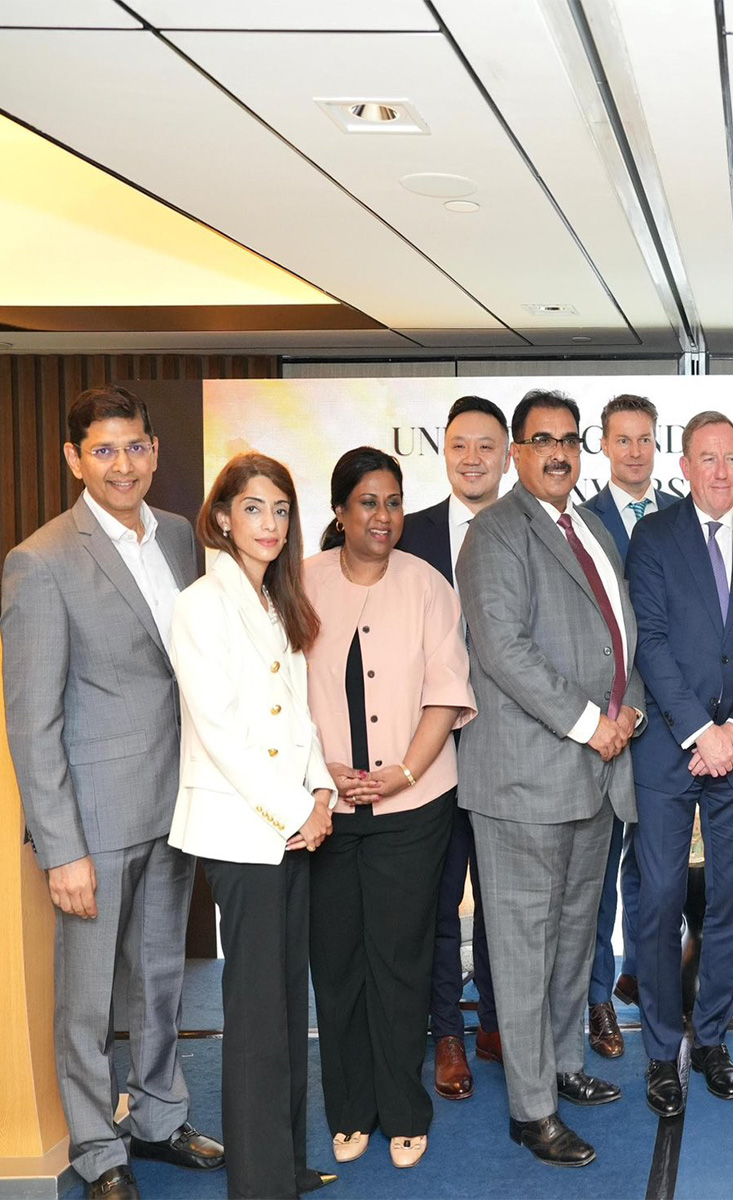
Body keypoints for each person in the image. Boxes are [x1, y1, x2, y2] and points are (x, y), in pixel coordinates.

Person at [1, 386, 222, 1200]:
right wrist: (61, 849)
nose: (121, 464)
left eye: (133, 447)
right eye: (103, 450)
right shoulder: (41, 560)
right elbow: (33, 721)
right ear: (73, 459)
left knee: (161, 977)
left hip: (178, 802)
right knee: (88, 1001)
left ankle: (160, 1117)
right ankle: (98, 1148)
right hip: (92, 820)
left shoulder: (178, 539)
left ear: (155, 452)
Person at [456, 389, 642, 1168]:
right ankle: (532, 1111)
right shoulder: (497, 534)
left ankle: (565, 1064)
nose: (559, 451)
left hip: (594, 777)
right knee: (524, 952)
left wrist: (627, 708)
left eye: (569, 439)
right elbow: (504, 649)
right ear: (516, 452)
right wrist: (589, 723)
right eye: (542, 440)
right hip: (528, 784)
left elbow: (620, 634)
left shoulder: (589, 525)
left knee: (571, 942)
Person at [167, 454, 337, 1199]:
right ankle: (260, 1183)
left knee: (285, 1008)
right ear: (222, 516)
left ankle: (286, 1166)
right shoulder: (203, 604)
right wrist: (297, 809)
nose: (269, 524)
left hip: (290, 824)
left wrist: (323, 791)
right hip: (244, 832)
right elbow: (223, 732)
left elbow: (298, 721)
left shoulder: (274, 602)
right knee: (258, 1012)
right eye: (254, 508)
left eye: (280, 510)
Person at [303, 447, 475, 1171]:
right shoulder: (299, 583)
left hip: (415, 806)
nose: (384, 516)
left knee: (399, 962)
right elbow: (277, 692)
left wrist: (402, 772)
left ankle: (404, 1109)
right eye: (369, 502)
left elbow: (445, 694)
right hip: (324, 809)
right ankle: (351, 1110)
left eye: (395, 502)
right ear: (340, 511)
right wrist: (323, 773)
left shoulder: (429, 585)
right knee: (337, 964)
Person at [625, 410, 733, 1116]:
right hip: (670, 753)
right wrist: (701, 730)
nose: (722, 471)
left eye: (732, 458)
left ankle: (716, 1038)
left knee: (729, 903)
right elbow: (651, 643)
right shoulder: (654, 536)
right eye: (708, 458)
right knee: (660, 900)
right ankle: (664, 1051)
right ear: (685, 467)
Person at [394, 394, 511, 1102]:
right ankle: (447, 1035)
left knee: (503, 902)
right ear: (443, 450)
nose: (473, 459)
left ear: (507, 455)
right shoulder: (407, 535)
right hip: (428, 754)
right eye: (461, 445)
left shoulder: (530, 530)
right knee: (437, 905)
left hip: (508, 753)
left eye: (487, 447)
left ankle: (499, 1020)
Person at [581, 393, 681, 1057]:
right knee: (598, 873)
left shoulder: (681, 515)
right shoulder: (579, 522)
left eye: (645, 439)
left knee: (654, 870)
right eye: (623, 440)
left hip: (668, 722)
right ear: (604, 445)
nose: (636, 451)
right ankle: (596, 1003)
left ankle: (650, 983)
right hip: (606, 722)